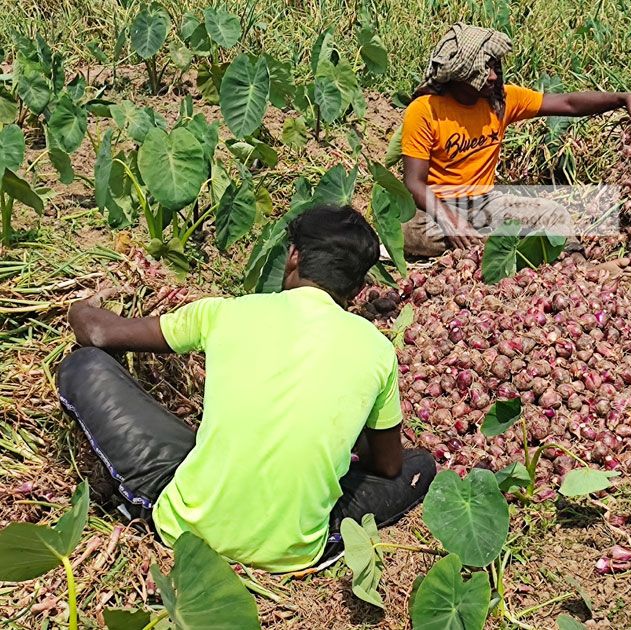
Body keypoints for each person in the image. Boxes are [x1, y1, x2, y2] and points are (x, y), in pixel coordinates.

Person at [57, 205, 435, 574]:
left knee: (84, 365)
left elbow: (98, 333)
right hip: (289, 551)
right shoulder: (377, 350)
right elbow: (387, 466)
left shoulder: (225, 312)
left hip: (186, 530)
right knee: (420, 465)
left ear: (293, 257)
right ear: (357, 288)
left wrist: (80, 306)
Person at [399, 22, 631, 259]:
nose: (494, 77)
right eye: (485, 69)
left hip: (484, 203)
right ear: (463, 72)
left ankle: (575, 265)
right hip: (435, 207)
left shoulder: (501, 101)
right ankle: (493, 243)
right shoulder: (425, 110)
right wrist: (449, 218)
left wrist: (620, 98)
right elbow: (414, 182)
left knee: (553, 213)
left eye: (495, 68)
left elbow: (568, 103)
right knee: (412, 233)